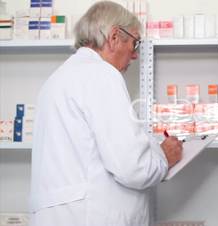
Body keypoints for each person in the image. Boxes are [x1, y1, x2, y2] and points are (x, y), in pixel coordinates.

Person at [29, 1, 183, 226]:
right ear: (113, 37)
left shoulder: (55, 80)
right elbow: (132, 167)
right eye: (135, 43)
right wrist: (163, 159)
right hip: (89, 217)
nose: (135, 55)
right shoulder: (102, 75)